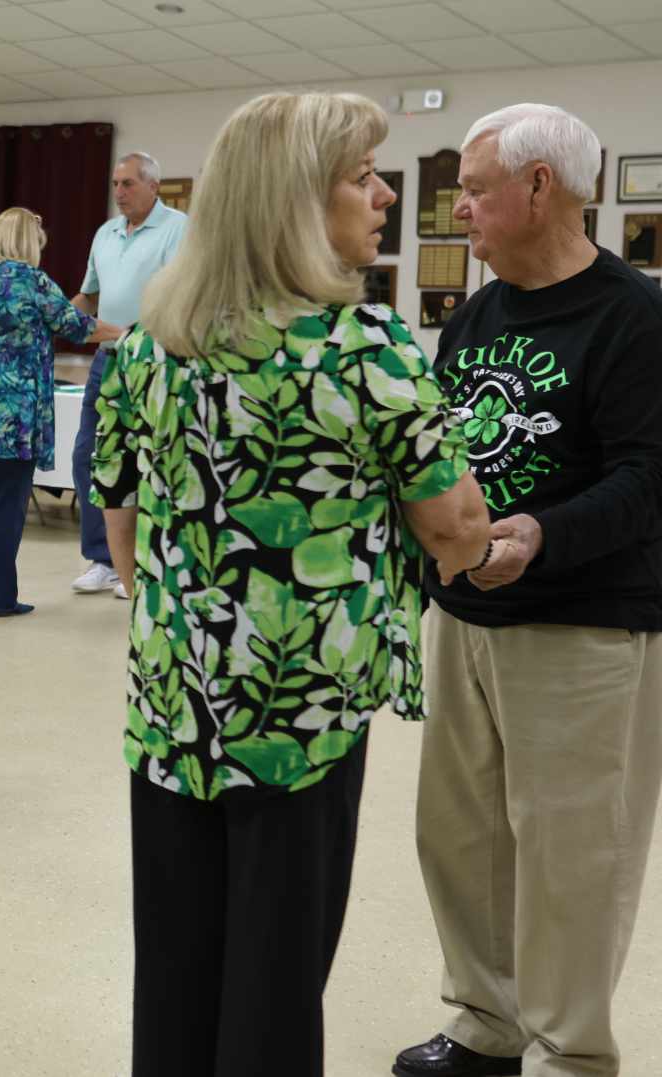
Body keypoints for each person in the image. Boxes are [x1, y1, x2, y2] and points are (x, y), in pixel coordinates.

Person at [88, 92, 491, 1076]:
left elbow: (119, 508)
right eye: (363, 177)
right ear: (299, 202)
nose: (387, 195)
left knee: (176, 961)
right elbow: (457, 528)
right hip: (299, 713)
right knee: (274, 969)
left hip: (174, 702)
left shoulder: (150, 348)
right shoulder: (364, 351)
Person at [394, 104, 662, 1077]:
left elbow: (647, 478)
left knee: (572, 861)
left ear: (540, 187)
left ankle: (571, 1057)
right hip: (468, 619)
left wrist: (544, 533)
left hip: (585, 630)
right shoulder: (474, 313)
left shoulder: (634, 316)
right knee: (460, 845)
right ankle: (486, 1027)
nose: (457, 209)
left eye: (472, 190)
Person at [0, 207, 123, 616]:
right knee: (4, 503)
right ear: (27, 243)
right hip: (11, 415)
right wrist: (127, 333)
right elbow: (78, 326)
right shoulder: (31, 282)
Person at [71, 151, 189, 599]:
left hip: (156, 359)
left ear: (153, 186)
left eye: (128, 184)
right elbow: (88, 295)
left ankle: (139, 562)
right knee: (89, 456)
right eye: (116, 184)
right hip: (107, 359)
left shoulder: (178, 229)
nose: (119, 192)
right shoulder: (106, 233)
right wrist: (54, 317)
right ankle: (102, 558)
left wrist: (137, 334)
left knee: (149, 460)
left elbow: (181, 297)